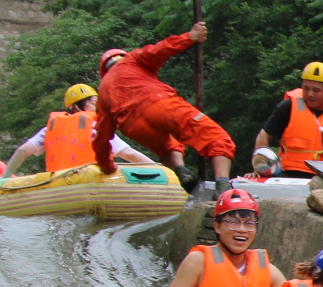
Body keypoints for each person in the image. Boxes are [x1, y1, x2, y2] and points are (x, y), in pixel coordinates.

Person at [92, 20, 238, 192]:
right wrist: (190, 37)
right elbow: (159, 50)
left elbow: (101, 137)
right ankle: (223, 185)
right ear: (121, 57)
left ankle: (179, 169)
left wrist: (107, 166)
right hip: (158, 103)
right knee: (216, 137)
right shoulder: (132, 59)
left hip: (133, 127)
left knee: (167, 148)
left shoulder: (103, 91)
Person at [5, 84, 155, 175]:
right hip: (90, 182)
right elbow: (129, 154)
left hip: (59, 184)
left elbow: (22, 151)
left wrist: (5, 177)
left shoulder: (49, 129)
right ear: (77, 106)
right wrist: (159, 169)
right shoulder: (95, 127)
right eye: (94, 103)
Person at [256, 62, 323, 178]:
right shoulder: (288, 106)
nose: (310, 94)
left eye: (316, 90)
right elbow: (263, 136)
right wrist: (261, 167)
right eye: (305, 88)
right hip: (290, 175)